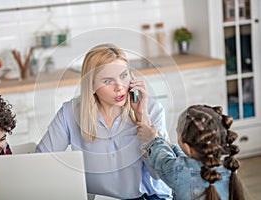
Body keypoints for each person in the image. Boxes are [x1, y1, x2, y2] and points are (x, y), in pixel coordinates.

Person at [36, 43, 172, 199]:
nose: (120, 87)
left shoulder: (152, 109)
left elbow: (160, 174)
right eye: (108, 81)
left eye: (124, 75)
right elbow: (41, 162)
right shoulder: (70, 113)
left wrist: (143, 118)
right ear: (91, 85)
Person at [137, 105, 245, 200]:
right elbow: (189, 162)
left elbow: (161, 159)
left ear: (188, 147)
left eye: (178, 133)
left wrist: (153, 140)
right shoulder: (229, 167)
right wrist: (170, 146)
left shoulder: (177, 172)